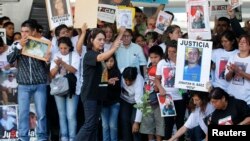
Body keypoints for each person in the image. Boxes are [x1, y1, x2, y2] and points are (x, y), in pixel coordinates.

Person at [75, 27, 125, 141]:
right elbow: (103, 56)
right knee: (89, 124)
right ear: (91, 40)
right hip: (90, 95)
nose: (102, 42)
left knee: (94, 126)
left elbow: (111, 49)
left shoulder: (101, 53)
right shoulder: (90, 54)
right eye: (99, 39)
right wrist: (114, 49)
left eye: (103, 39)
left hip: (98, 95)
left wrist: (121, 33)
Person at [7, 19, 49, 141]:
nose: (24, 34)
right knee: (23, 113)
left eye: (27, 31)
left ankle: (42, 137)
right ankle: (23, 138)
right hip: (23, 85)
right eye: (22, 31)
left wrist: (48, 60)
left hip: (40, 83)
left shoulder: (43, 44)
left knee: (41, 114)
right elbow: (10, 59)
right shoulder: (16, 44)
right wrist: (20, 46)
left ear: (34, 31)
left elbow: (47, 66)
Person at [50, 37, 80, 141]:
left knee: (71, 115)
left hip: (72, 89)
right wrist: (57, 66)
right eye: (61, 48)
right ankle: (64, 137)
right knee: (61, 114)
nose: (63, 50)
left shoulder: (75, 55)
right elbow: (52, 75)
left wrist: (62, 63)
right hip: (58, 88)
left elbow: (73, 70)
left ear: (70, 47)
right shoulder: (55, 55)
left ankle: (72, 138)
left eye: (65, 48)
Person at [155, 40, 186, 141]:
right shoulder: (162, 62)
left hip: (181, 96)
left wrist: (176, 61)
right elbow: (157, 78)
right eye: (169, 51)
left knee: (180, 123)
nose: (171, 54)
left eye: (173, 51)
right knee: (168, 123)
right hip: (167, 97)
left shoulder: (183, 61)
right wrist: (160, 88)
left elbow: (186, 75)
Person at [139, 45, 165, 141]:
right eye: (151, 57)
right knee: (148, 123)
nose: (153, 60)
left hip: (160, 100)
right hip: (148, 97)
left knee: (159, 123)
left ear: (161, 57)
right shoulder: (149, 67)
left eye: (156, 57)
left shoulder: (164, 68)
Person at [120, 67, 144, 141]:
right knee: (124, 120)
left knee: (134, 122)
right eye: (126, 80)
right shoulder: (121, 73)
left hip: (136, 102)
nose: (127, 83)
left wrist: (137, 122)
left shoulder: (139, 81)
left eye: (130, 81)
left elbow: (140, 104)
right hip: (124, 100)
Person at [225, 34, 250, 106]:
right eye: (240, 41)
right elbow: (227, 79)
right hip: (231, 97)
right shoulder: (232, 57)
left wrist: (239, 71)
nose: (241, 43)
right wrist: (231, 72)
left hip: (246, 100)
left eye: (244, 42)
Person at [101, 55, 121, 141]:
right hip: (103, 102)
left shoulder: (117, 72)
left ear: (115, 61)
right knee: (105, 125)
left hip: (114, 102)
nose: (109, 63)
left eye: (111, 61)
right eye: (107, 61)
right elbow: (100, 87)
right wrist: (107, 82)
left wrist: (108, 83)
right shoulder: (100, 72)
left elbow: (116, 87)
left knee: (113, 125)